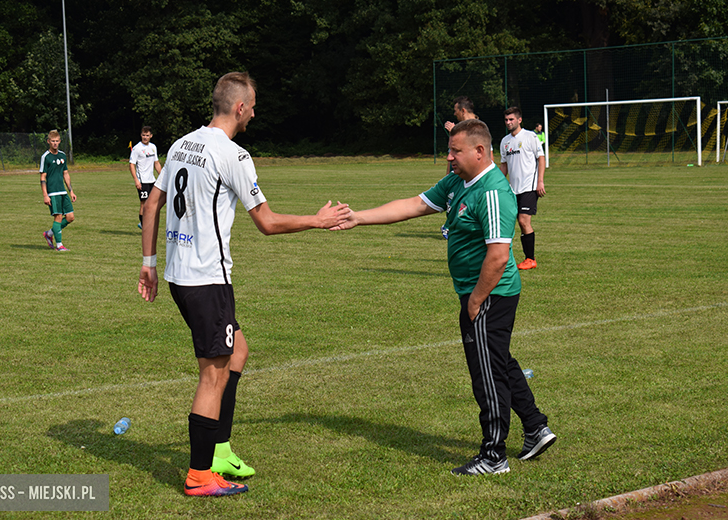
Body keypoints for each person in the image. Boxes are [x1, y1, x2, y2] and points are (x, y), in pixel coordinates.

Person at [137, 71, 350, 497]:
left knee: (238, 352)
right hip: (207, 279)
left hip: (182, 275)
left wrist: (149, 263)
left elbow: (153, 201)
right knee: (212, 375)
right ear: (239, 107)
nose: (254, 112)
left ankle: (219, 448)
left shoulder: (181, 143)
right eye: (252, 105)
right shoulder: (233, 155)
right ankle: (201, 474)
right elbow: (267, 223)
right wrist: (318, 219)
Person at [332, 119, 555, 476]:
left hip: (490, 294)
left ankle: (494, 455)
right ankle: (535, 426)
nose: (449, 157)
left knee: (486, 373)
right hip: (479, 294)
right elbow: (413, 205)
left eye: (456, 151)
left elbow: (498, 256)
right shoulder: (457, 182)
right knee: (496, 360)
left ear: (480, 152)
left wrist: (476, 300)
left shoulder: (493, 192)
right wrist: (359, 218)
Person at [499, 107, 546, 270]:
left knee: (523, 221)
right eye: (506, 120)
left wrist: (540, 181)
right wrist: (497, 183)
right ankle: (506, 258)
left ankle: (530, 259)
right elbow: (504, 166)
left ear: (519, 120)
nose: (508, 122)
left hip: (530, 187)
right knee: (509, 222)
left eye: (511, 119)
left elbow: (541, 158)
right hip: (513, 189)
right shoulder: (505, 141)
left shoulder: (530, 136)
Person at [441, 96, 479, 239]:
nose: (454, 114)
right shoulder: (462, 128)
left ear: (463, 110)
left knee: (466, 200)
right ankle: (451, 225)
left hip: (470, 173)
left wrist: (454, 132)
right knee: (453, 197)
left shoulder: (477, 127)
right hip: (458, 173)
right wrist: (448, 174)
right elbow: (452, 153)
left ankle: (451, 226)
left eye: (456, 111)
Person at [40, 130, 76, 252]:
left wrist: (71, 191)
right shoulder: (46, 157)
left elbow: (66, 173)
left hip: (63, 191)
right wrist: (45, 195)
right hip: (53, 192)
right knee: (58, 217)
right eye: (52, 141)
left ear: (59, 141)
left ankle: (49, 233)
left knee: (70, 217)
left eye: (57, 141)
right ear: (48, 142)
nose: (55, 143)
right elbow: (42, 177)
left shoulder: (62, 155)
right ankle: (59, 245)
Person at [129, 126, 162, 229]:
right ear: (141, 135)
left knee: (152, 203)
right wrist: (136, 180)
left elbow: (156, 163)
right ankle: (144, 225)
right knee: (144, 203)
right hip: (142, 181)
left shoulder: (153, 147)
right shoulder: (137, 148)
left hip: (152, 180)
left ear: (151, 136)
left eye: (147, 135)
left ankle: (148, 223)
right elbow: (131, 165)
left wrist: (162, 176)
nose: (145, 137)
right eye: (143, 135)